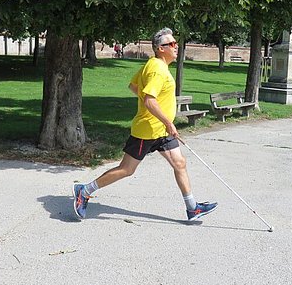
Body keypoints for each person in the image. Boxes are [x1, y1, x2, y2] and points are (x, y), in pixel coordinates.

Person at [73, 28, 218, 221]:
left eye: (176, 43)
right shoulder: (158, 69)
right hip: (147, 130)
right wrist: (167, 121)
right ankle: (84, 191)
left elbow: (134, 86)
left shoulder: (153, 64)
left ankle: (192, 208)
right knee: (127, 169)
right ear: (160, 48)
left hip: (161, 131)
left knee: (180, 163)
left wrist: (161, 117)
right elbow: (149, 100)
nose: (176, 47)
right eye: (172, 44)